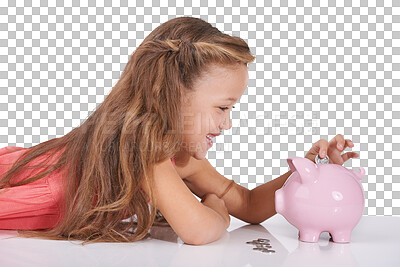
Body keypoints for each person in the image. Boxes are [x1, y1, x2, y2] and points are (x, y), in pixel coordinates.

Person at [0, 16, 359, 246]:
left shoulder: (180, 157)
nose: (228, 122)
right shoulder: (146, 148)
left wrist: (308, 171)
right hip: (20, 188)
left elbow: (249, 205)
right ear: (172, 95)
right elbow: (199, 231)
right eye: (222, 107)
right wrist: (217, 209)